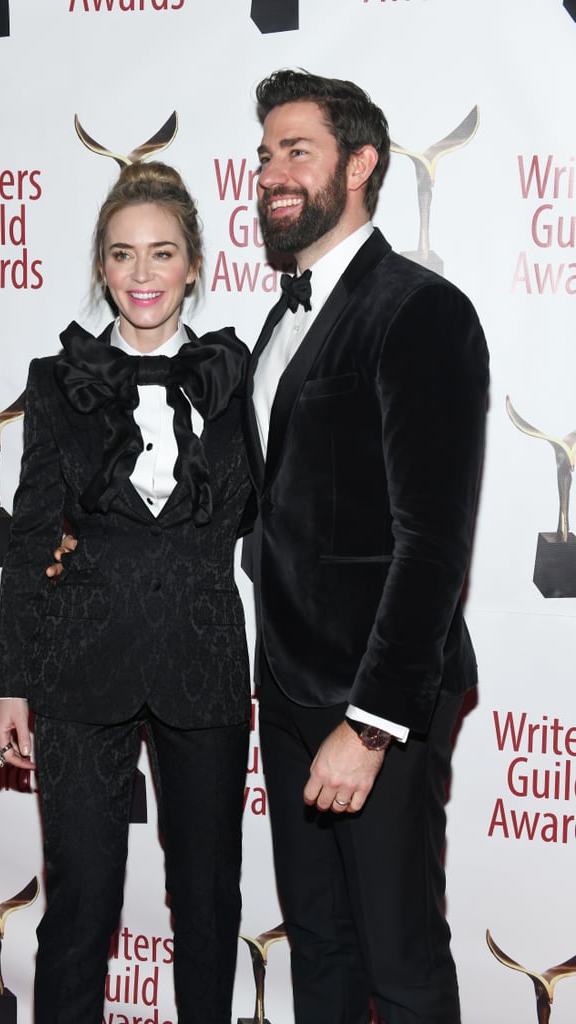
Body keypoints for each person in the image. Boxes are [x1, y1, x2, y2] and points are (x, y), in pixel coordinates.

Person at [242, 70, 489, 1024]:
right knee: (322, 950)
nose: (271, 172)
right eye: (265, 152)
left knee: (400, 963)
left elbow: (431, 546)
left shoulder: (419, 310)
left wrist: (372, 725)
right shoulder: (281, 316)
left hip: (375, 702)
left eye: (296, 149)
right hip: (291, 688)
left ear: (361, 163)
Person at [0, 161, 252, 1024]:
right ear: (102, 268)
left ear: (193, 266)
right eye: (122, 255)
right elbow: (32, 537)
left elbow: (256, 512)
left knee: (209, 908)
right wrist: (13, 681)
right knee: (79, 912)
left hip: (203, 662)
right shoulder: (55, 381)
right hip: (77, 672)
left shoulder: (230, 376)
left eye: (161, 254)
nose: (142, 275)